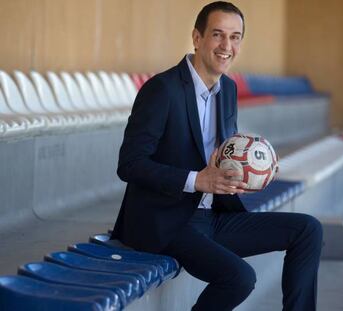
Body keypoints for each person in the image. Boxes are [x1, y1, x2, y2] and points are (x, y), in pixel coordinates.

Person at [111, 2, 323, 310]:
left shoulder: (228, 90)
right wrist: (197, 180)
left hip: (213, 216)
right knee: (239, 277)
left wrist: (251, 173)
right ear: (197, 38)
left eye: (235, 37)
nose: (227, 46)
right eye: (218, 35)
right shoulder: (163, 89)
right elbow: (130, 164)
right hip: (166, 221)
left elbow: (224, 154)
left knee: (308, 230)